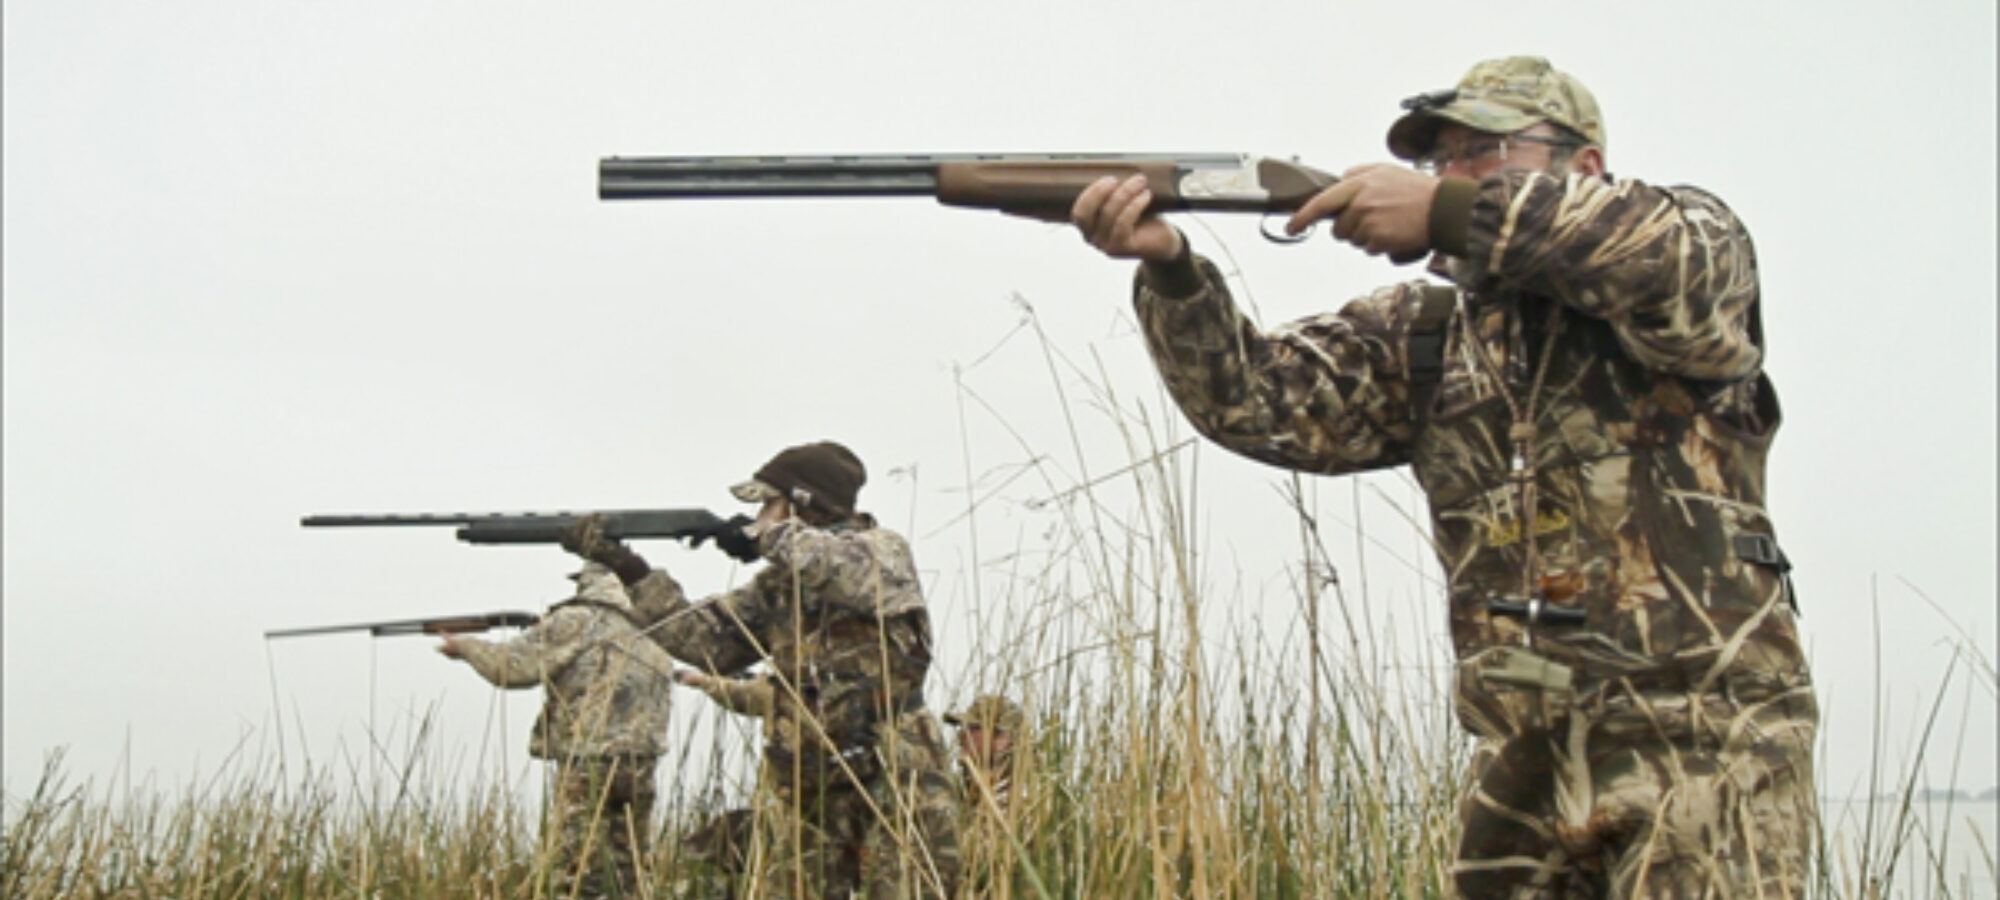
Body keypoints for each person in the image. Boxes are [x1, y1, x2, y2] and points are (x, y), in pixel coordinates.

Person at [1059, 56, 1817, 897]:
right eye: (1440, 161)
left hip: (1700, 747)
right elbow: (1256, 403)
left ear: (1586, 165)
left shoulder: (1682, 257)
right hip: (1520, 762)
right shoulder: (1425, 337)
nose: (1452, 173)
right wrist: (1169, 264)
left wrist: (1447, 212)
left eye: (1483, 151)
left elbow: (1667, 256)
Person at [562, 440, 962, 899]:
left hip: (895, 768)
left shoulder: (881, 550)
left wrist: (766, 537)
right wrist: (628, 568)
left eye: (771, 502)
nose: (762, 514)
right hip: (809, 777)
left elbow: (853, 575)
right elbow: (704, 642)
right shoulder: (777, 588)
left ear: (804, 503)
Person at [438, 562, 678, 899]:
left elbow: (511, 667)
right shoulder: (657, 626)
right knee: (629, 871)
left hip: (588, 763)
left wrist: (465, 647)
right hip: (642, 763)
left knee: (576, 869)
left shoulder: (576, 619)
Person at [942, 695, 1025, 816]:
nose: (961, 735)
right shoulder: (962, 790)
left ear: (1003, 739)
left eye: (972, 728)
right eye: (962, 727)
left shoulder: (1022, 797)